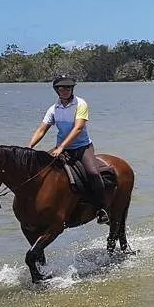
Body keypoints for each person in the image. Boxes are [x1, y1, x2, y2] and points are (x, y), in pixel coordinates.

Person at [28, 74, 109, 224]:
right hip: (61, 148)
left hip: (82, 147)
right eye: (61, 88)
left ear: (72, 89)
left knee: (93, 172)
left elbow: (78, 128)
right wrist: (30, 146)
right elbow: (42, 129)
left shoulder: (81, 104)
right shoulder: (53, 109)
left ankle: (101, 208)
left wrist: (61, 147)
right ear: (56, 90)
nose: (64, 90)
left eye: (68, 87)